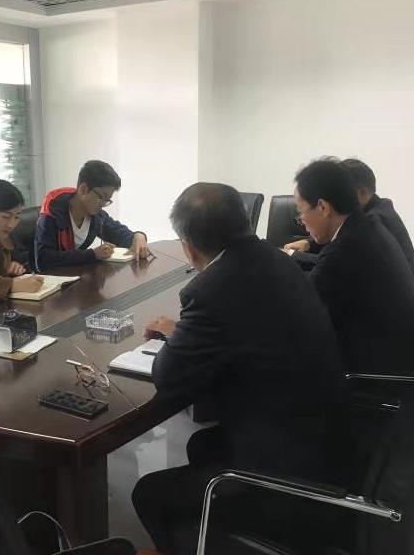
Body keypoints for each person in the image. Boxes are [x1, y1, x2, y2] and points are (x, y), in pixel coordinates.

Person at [132, 182, 345, 555]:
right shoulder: (278, 259)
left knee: (149, 494)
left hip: (284, 468)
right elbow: (248, 327)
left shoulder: (210, 288)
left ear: (188, 246)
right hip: (327, 439)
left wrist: (178, 336)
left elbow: (169, 378)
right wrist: (185, 332)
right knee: (202, 444)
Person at [293, 158, 414, 374]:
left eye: (300, 212)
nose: (301, 221)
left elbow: (298, 310)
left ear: (323, 207)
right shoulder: (368, 227)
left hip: (375, 377)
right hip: (395, 361)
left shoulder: (345, 249)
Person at [285, 158, 414, 272]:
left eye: (343, 191)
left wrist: (292, 255)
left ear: (362, 193)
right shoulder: (379, 209)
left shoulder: (373, 222)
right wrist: (309, 243)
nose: (337, 197)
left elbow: (338, 261)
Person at [34, 160, 149, 272]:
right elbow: (43, 260)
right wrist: (92, 254)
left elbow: (118, 234)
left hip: (75, 276)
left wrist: (138, 236)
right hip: (47, 280)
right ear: (83, 189)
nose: (103, 204)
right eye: (101, 197)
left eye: (107, 200)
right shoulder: (51, 215)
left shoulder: (96, 215)